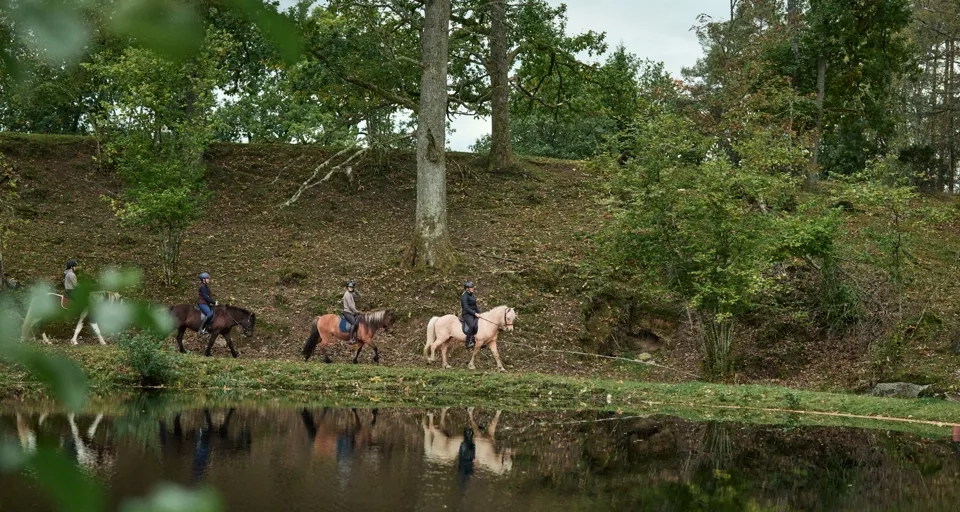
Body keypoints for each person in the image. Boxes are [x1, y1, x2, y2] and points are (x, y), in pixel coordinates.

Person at [461, 281, 481, 350]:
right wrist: (475, 313)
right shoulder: (464, 296)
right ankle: (467, 343)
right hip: (467, 314)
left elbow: (475, 305)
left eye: (472, 287)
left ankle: (477, 341)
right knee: (472, 325)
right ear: (467, 289)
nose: (473, 289)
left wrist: (480, 313)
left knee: (479, 324)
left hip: (473, 312)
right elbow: (466, 308)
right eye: (471, 288)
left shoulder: (472, 294)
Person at [343, 280, 360, 345]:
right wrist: (356, 311)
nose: (351, 288)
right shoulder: (347, 294)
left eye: (352, 287)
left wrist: (355, 290)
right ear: (347, 287)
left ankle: (356, 337)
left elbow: (359, 296)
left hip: (351, 312)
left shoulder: (350, 294)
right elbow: (350, 306)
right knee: (354, 323)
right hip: (347, 312)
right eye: (350, 287)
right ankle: (350, 339)